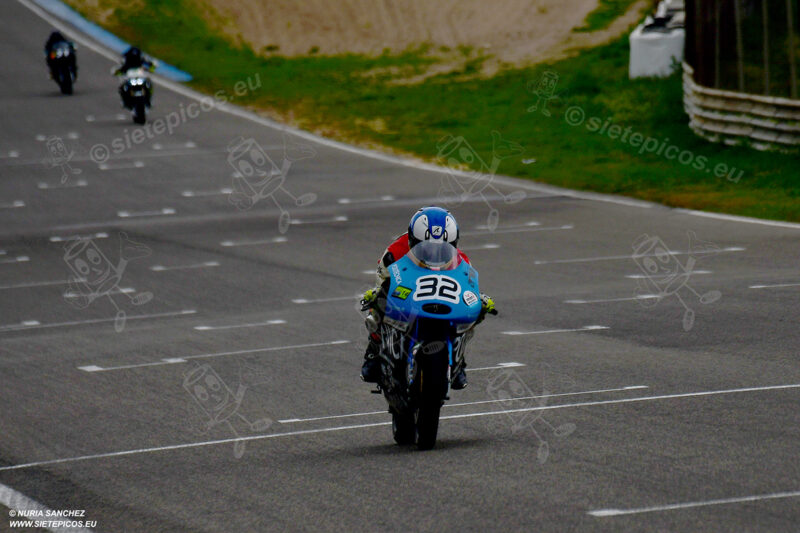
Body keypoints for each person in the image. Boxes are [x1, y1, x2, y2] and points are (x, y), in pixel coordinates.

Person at [360, 206, 496, 389]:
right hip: (409, 285)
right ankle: (373, 352)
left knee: (475, 312)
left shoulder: (462, 259)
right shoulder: (394, 253)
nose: (433, 253)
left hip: (441, 296)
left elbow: (467, 285)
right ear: (412, 240)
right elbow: (382, 280)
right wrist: (378, 293)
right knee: (378, 304)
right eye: (426, 247)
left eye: (442, 248)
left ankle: (458, 360)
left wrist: (478, 299)